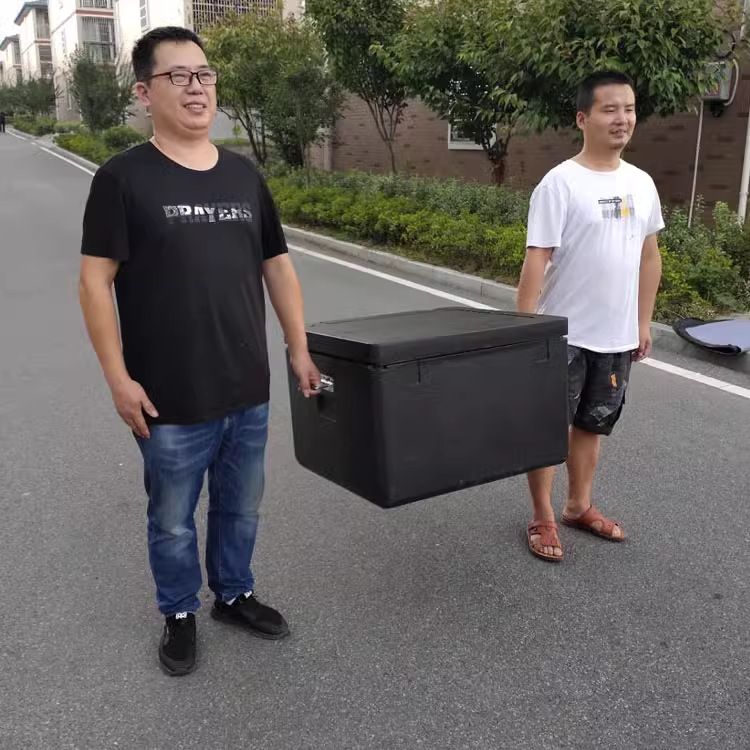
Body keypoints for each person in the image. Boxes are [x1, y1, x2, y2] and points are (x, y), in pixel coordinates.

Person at [78, 26, 321, 675]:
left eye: (204, 74)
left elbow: (277, 266)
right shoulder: (122, 178)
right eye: (178, 76)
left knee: (241, 506)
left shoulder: (243, 174)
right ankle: (180, 610)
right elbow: (95, 281)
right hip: (168, 395)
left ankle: (233, 595)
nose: (196, 87)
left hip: (246, 386)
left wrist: (298, 348)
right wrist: (118, 379)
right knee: (173, 518)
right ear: (144, 92)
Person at [517, 70, 664, 562]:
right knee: (549, 429)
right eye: (610, 109)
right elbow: (537, 258)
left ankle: (578, 506)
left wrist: (642, 322)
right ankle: (542, 514)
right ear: (583, 119)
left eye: (629, 109)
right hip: (564, 334)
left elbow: (649, 257)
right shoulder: (560, 183)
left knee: (592, 425)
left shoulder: (641, 183)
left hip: (615, 336)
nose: (623, 118)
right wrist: (526, 331)